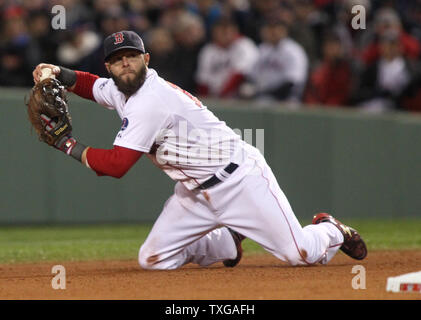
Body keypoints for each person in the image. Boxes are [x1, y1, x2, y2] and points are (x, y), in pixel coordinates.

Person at [32, 30, 367, 270]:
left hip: (239, 180)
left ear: (145, 59)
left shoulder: (151, 99)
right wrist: (56, 72)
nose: (126, 64)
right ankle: (227, 241)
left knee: (303, 255)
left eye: (131, 56)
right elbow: (92, 86)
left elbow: (117, 166)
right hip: (193, 193)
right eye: (117, 60)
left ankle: (330, 229)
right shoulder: (122, 88)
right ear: (110, 67)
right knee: (153, 260)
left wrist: (66, 144)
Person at [239, 19, 308, 104]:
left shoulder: (294, 51)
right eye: (269, 29)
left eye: (276, 29)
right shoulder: (263, 49)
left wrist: (262, 93)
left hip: (286, 101)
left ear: (284, 31)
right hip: (262, 99)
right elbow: (251, 76)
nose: (272, 32)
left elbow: (291, 84)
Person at [195, 17, 258, 98]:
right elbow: (202, 80)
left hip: (238, 96)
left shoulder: (244, 45)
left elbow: (240, 74)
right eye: (221, 31)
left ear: (235, 31)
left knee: (246, 89)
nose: (225, 34)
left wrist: (222, 96)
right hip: (213, 96)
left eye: (228, 31)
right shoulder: (208, 50)